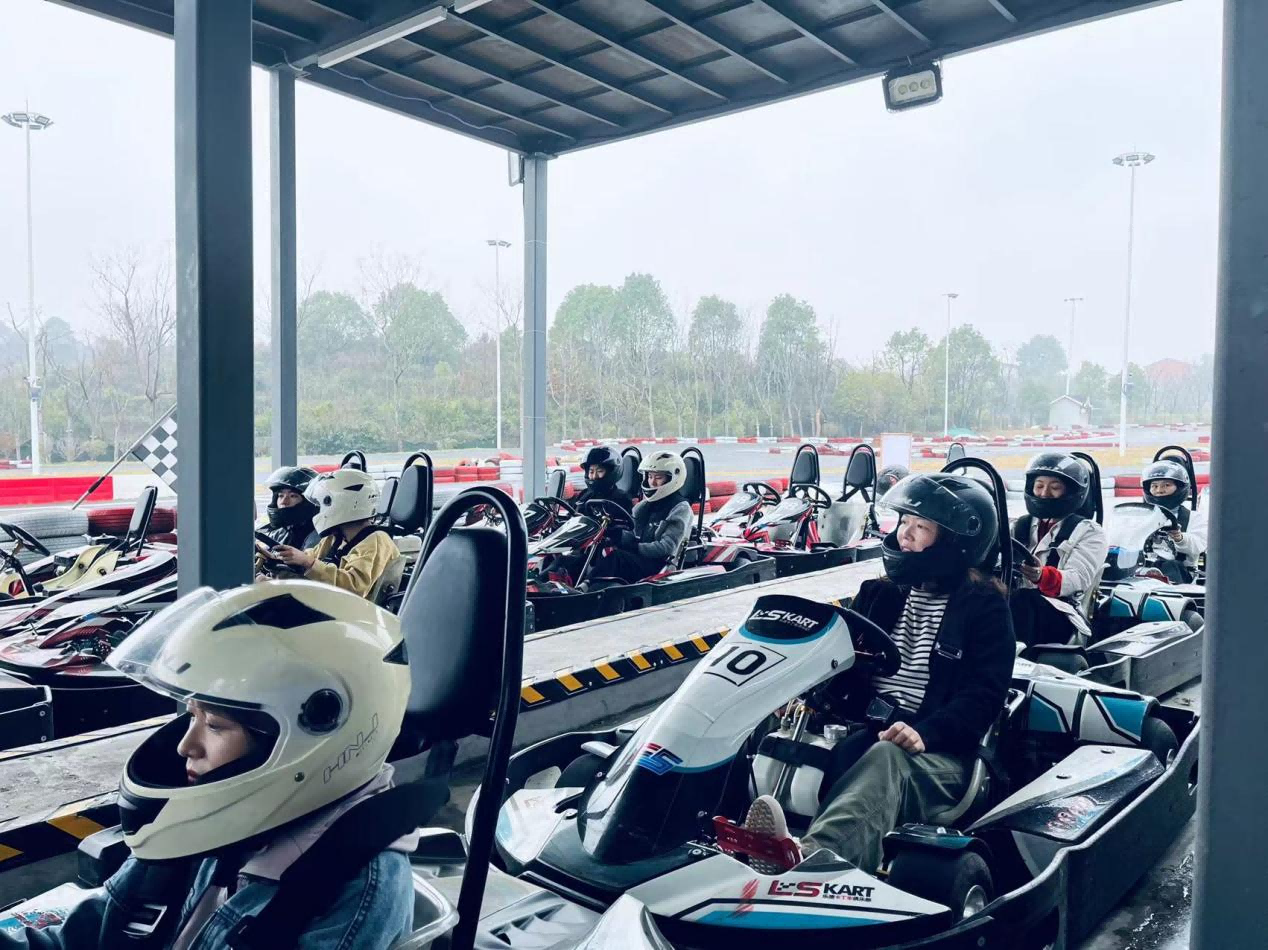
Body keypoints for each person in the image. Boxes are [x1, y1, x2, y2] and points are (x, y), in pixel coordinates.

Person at [0, 582, 416, 949]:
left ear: (316, 734)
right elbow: (91, 932)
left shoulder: (355, 892)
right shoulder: (209, 821)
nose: (186, 746)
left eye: (215, 725)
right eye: (192, 716)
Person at [737, 473, 1015, 875]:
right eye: (904, 522)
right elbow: (839, 660)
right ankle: (717, 834)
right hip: (864, 727)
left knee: (887, 755)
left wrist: (926, 732)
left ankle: (812, 860)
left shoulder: (984, 607)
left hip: (938, 753)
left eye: (921, 527)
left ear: (957, 542)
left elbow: (983, 697)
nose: (905, 534)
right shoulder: (878, 593)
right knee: (767, 726)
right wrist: (803, 694)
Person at [1008, 452, 1108, 647]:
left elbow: (1077, 579)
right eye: (1039, 486)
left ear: (1071, 492)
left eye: (1054, 488)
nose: (1044, 493)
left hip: (1062, 613)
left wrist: (1042, 576)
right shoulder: (1019, 527)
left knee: (1023, 600)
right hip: (1017, 607)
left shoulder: (1090, 532)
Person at [270, 469, 400, 599]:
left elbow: (354, 588)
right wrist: (280, 559)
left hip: (349, 609)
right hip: (328, 603)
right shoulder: (335, 538)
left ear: (347, 503)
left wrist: (308, 562)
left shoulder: (377, 540)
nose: (320, 509)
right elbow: (309, 556)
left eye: (326, 503)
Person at [582, 451, 693, 585]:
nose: (652, 482)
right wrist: (616, 535)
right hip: (640, 559)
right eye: (650, 476)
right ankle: (571, 582)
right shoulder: (644, 506)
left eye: (658, 477)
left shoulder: (680, 508)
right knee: (599, 549)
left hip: (660, 565)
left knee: (617, 557)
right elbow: (632, 534)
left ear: (673, 479)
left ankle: (586, 586)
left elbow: (667, 548)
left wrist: (634, 547)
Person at [1141, 459, 1206, 582]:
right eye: (1154, 486)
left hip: (1180, 573)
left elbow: (1199, 546)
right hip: (1144, 567)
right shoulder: (1141, 516)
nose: (1159, 490)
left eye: (1166, 485)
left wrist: (1180, 538)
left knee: (1169, 565)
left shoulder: (1194, 518)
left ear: (1180, 487)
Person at [255, 467, 319, 571]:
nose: (284, 502)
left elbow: (310, 574)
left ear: (308, 502)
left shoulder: (318, 537)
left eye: (293, 496)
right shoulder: (278, 532)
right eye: (280, 495)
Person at [575, 445, 633, 513]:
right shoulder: (584, 494)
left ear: (611, 473)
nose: (594, 476)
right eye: (591, 472)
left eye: (600, 471)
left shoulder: (622, 499)